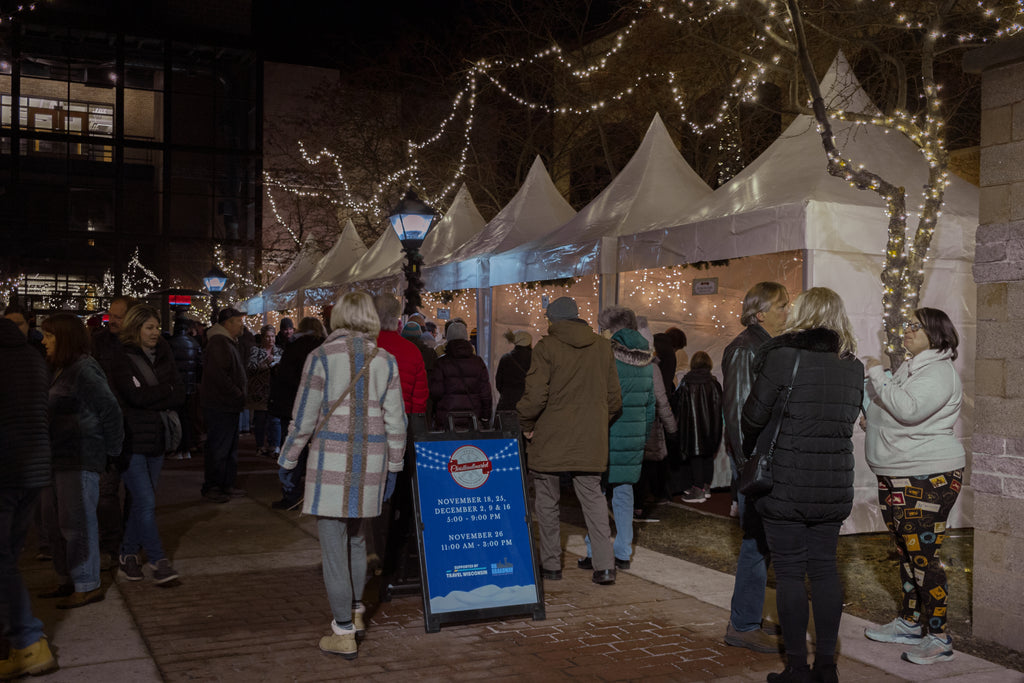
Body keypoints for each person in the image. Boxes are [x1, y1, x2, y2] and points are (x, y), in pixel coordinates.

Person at [741, 287, 863, 683]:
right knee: (825, 569)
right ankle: (827, 666)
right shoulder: (853, 365)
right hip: (833, 483)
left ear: (803, 315)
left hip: (786, 482)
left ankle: (796, 667)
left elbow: (753, 417)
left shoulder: (782, 357)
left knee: (791, 573)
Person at [278, 292, 406, 659]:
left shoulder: (320, 358)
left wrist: (287, 460)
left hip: (330, 463)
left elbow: (303, 417)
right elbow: (396, 420)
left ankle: (343, 630)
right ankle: (356, 611)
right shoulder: (385, 359)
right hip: (371, 461)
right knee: (356, 540)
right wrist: (394, 466)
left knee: (333, 547)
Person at [862, 307, 965, 666]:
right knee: (906, 554)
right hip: (898, 472)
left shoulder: (938, 372)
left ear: (936, 333)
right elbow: (893, 410)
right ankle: (909, 622)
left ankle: (938, 637)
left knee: (923, 557)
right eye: (907, 325)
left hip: (927, 476)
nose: (906, 331)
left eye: (914, 326)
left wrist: (876, 371)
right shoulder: (913, 366)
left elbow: (908, 411)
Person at [517, 296, 622, 586]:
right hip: (590, 438)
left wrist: (525, 424)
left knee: (547, 502)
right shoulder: (603, 347)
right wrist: (596, 424)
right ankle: (604, 567)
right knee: (594, 500)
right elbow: (614, 399)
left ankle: (551, 566)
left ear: (551, 320)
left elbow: (536, 396)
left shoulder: (546, 347)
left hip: (549, 437)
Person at [39, 313, 124, 609]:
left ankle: (86, 583)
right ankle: (67, 578)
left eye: (49, 335)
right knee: (53, 522)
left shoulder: (84, 369)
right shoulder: (60, 369)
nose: (44, 341)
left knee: (76, 523)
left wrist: (112, 453)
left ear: (65, 338)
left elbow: (110, 411)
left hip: (80, 457)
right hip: (56, 457)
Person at [722, 281, 789, 653]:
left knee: (762, 540)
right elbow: (737, 413)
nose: (788, 312)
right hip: (756, 461)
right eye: (782, 306)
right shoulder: (746, 349)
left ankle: (747, 616)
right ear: (761, 312)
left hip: (763, 458)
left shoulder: (764, 346)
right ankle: (742, 623)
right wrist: (749, 465)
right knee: (755, 540)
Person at [108, 304, 184, 585]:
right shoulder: (122, 357)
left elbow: (180, 394)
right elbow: (134, 397)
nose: (154, 332)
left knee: (143, 502)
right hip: (131, 439)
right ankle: (157, 560)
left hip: (158, 438)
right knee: (146, 501)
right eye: (148, 327)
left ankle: (127, 555)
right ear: (135, 328)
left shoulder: (165, 354)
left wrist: (155, 393)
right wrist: (166, 392)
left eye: (156, 327)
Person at [0, 317, 58, 678]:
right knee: (8, 557)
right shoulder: (32, 357)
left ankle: (26, 639)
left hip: (6, 470)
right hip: (34, 469)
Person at [578, 306, 654, 571]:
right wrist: (641, 436)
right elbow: (650, 404)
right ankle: (623, 552)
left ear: (610, 327)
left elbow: (595, 396)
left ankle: (594, 550)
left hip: (606, 433)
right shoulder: (647, 355)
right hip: (632, 437)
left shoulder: (603, 353)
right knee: (624, 493)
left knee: (595, 494)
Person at [267, 317, 326, 510]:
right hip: (321, 407)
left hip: (293, 405)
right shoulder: (325, 348)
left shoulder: (294, 347)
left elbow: (285, 377)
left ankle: (291, 493)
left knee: (294, 448)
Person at [91, 295, 133, 568]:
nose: (113, 321)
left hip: (134, 426)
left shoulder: (140, 344)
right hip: (106, 425)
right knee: (106, 492)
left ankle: (129, 538)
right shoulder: (98, 343)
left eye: (119, 316)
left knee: (135, 490)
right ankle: (112, 540)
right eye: (111, 315)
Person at [199, 307, 247, 503]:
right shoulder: (219, 342)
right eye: (238, 321)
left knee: (228, 447)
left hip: (227, 404)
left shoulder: (227, 342)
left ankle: (225, 483)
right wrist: (236, 392)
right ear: (227, 323)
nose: (241, 325)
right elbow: (218, 375)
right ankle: (214, 485)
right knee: (219, 447)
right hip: (221, 404)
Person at [673, 351, 724, 503]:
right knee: (708, 455)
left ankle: (698, 489)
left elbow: (677, 404)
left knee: (696, 457)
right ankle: (706, 487)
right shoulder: (714, 383)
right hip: (712, 428)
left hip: (692, 428)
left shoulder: (686, 382)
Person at [430, 320, 491, 430]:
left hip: (447, 420)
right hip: (472, 418)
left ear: (448, 339)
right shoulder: (478, 362)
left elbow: (436, 392)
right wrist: (485, 417)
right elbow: (485, 393)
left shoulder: (441, 363)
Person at [168, 316, 202, 460]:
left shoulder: (170, 343)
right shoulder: (194, 343)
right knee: (188, 417)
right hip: (190, 385)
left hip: (175, 386)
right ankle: (187, 448)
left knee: (176, 418)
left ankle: (177, 447)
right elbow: (200, 364)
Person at [248, 324, 283, 458]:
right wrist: (266, 363)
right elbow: (250, 367)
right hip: (259, 391)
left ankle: (275, 446)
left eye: (272, 336)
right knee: (260, 420)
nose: (270, 340)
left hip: (275, 390)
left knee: (275, 420)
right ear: (262, 338)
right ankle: (260, 446)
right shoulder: (255, 351)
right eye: (267, 337)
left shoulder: (279, 351)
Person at [494, 329, 532, 415]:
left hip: (507, 404)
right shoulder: (536, 359)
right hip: (528, 404)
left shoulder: (505, 359)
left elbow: (498, 383)